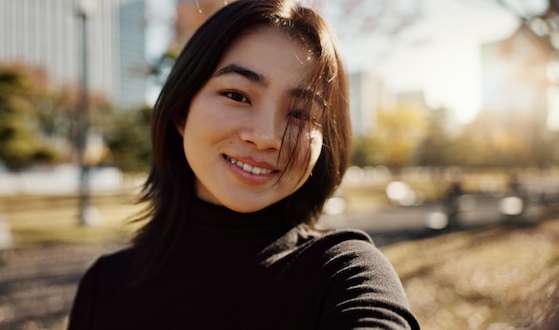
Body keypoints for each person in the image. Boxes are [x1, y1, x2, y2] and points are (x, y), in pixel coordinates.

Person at [69, 0, 420, 329]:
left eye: (300, 114)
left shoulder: (344, 274)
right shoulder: (105, 285)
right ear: (181, 111)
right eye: (237, 95)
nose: (266, 136)